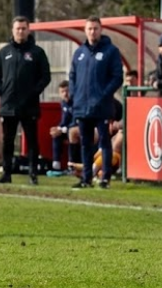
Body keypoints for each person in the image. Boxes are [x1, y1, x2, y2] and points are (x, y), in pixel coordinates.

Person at [0, 17, 51, 185]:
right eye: (18, 28)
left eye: (24, 28)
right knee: (8, 140)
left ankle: (33, 173)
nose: (20, 31)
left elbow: (45, 76)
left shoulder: (37, 52)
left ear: (28, 30)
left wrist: (34, 91)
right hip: (8, 104)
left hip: (29, 105)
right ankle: (6, 173)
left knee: (32, 140)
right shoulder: (4, 52)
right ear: (12, 30)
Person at [69, 16, 123, 189]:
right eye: (89, 29)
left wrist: (103, 95)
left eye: (95, 28)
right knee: (85, 143)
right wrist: (74, 93)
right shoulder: (80, 52)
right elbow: (72, 76)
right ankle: (87, 178)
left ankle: (105, 178)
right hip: (82, 106)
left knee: (104, 142)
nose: (92, 32)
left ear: (101, 30)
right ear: (85, 31)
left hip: (102, 106)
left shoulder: (110, 51)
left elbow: (117, 77)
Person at [47, 80, 81, 175]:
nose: (65, 94)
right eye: (62, 92)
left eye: (67, 91)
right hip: (69, 129)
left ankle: (72, 165)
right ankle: (56, 165)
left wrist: (62, 130)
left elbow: (76, 121)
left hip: (79, 129)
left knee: (71, 134)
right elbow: (64, 120)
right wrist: (58, 128)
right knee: (56, 135)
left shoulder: (76, 102)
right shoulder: (63, 103)